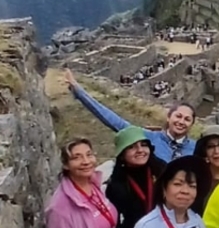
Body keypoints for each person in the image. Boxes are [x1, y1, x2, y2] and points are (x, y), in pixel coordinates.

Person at [64, 69, 197, 162]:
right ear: (169, 117)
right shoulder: (148, 138)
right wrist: (79, 92)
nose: (181, 121)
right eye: (178, 116)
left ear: (191, 124)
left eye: (187, 119)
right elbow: (113, 120)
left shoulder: (197, 148)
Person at [105, 126, 166, 228]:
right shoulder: (116, 185)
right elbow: (115, 224)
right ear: (122, 155)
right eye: (132, 147)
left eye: (143, 145)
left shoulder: (162, 171)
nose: (140, 150)